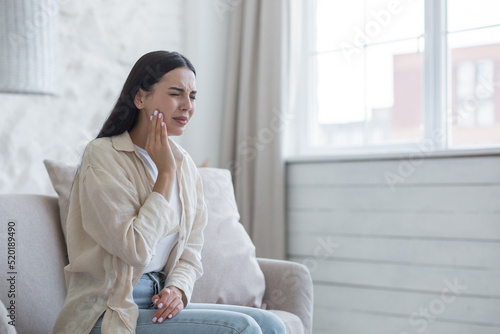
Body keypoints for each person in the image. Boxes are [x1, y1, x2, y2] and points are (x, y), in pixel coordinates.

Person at [52, 51, 285, 334]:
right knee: (241, 328)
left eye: (193, 96)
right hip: (109, 309)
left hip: (157, 302)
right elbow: (135, 249)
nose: (187, 106)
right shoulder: (103, 156)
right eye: (176, 94)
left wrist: (177, 288)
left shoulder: (184, 163)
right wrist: (164, 174)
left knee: (271, 323)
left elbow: (191, 250)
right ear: (140, 98)